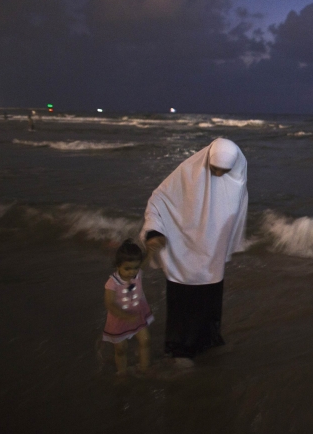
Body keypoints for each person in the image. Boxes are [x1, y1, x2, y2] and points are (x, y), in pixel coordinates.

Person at [141, 138, 248, 366]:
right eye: (214, 169)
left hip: (212, 256)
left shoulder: (238, 177)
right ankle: (179, 350)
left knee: (209, 301)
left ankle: (206, 343)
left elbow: (234, 219)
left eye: (223, 170)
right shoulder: (188, 171)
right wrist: (153, 231)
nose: (218, 174)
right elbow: (159, 199)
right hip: (184, 252)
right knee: (183, 303)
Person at [102, 239, 154, 376]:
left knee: (145, 340)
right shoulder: (112, 283)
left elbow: (144, 262)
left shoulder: (137, 272)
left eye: (135, 268)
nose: (132, 272)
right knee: (121, 349)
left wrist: (151, 250)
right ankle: (122, 372)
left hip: (137, 313)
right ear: (118, 266)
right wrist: (126, 316)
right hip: (120, 318)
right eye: (127, 269)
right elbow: (109, 304)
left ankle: (144, 367)